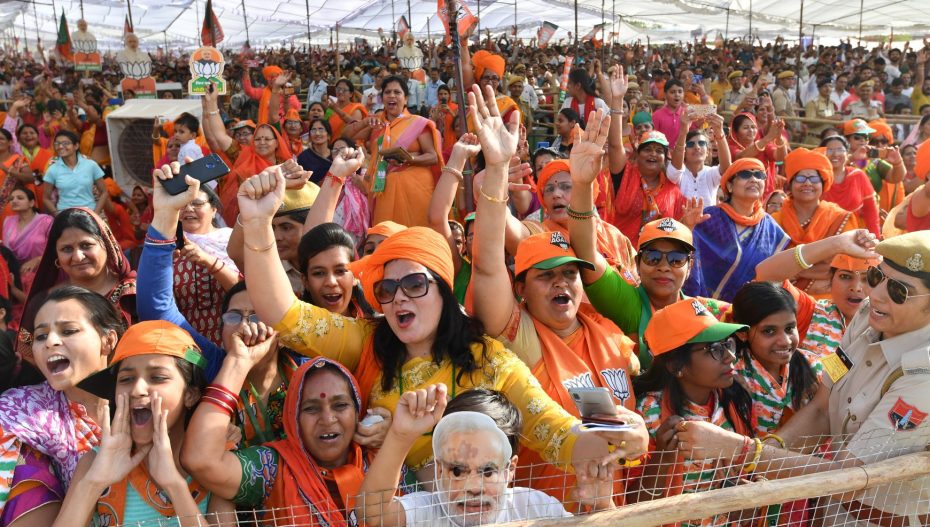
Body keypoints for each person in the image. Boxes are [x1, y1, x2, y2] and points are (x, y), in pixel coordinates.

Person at [237, 159, 647, 492]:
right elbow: (284, 314)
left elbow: (552, 430)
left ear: (445, 290)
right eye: (387, 289)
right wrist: (256, 225)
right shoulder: (367, 341)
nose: (399, 298)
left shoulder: (488, 360)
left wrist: (620, 441)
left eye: (415, 284)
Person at [677, 230, 930, 527]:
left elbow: (851, 479)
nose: (874, 294)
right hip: (828, 503)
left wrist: (742, 450)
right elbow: (823, 406)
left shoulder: (922, 374)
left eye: (899, 291)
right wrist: (768, 455)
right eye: (877, 277)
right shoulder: (868, 317)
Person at [471, 107, 640, 508]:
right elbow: (487, 264)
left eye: (569, 273)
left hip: (612, 511)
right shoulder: (522, 338)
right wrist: (496, 170)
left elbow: (630, 419)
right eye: (545, 276)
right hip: (545, 511)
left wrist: (640, 432)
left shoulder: (609, 334)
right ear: (521, 291)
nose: (561, 282)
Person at [55, 320, 235, 527]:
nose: (138, 390)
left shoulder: (216, 463)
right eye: (126, 379)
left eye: (157, 377)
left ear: (191, 395)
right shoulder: (93, 462)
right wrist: (94, 482)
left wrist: (174, 485)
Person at [184, 344, 377, 525]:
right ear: (294, 418)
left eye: (340, 405)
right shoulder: (272, 468)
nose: (327, 419)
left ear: (357, 411)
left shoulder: (378, 459)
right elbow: (200, 460)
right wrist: (237, 363)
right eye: (311, 408)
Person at [0, 286, 126, 526]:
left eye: (68, 331)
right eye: (41, 336)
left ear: (108, 340)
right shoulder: (19, 411)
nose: (50, 342)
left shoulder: (143, 401)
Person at [358, 397, 574, 526]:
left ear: (510, 469)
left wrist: (598, 504)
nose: (474, 488)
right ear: (439, 469)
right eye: (458, 471)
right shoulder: (426, 511)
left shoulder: (536, 508)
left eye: (488, 471)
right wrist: (400, 435)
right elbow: (371, 515)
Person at [633, 298, 753, 503]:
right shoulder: (649, 411)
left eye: (728, 344)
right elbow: (631, 501)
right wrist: (663, 458)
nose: (730, 356)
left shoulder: (733, 398)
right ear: (675, 366)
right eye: (715, 349)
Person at [754, 230, 881, 358]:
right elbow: (766, 276)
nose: (856, 288)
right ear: (830, 280)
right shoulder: (810, 312)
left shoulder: (887, 331)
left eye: (867, 279)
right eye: (845, 276)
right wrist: (838, 243)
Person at [21, 208, 137, 343]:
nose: (78, 257)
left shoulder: (133, 295)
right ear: (56, 256)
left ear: (107, 245)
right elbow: (27, 350)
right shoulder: (43, 301)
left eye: (86, 245)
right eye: (67, 249)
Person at [685, 158, 791, 302]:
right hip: (701, 305)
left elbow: (774, 274)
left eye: (759, 175)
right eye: (745, 174)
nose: (754, 179)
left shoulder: (772, 230)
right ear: (729, 186)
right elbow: (683, 254)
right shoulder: (708, 218)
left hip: (748, 308)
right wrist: (687, 226)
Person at [353, 75, 442, 228]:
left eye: (397, 92)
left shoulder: (417, 123)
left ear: (406, 99)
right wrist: (364, 122)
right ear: (382, 98)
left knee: (417, 233)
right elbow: (348, 136)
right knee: (386, 234)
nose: (392, 95)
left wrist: (408, 159)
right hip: (383, 189)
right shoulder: (376, 124)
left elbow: (433, 157)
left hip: (416, 189)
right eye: (387, 92)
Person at [201, 84, 295, 226]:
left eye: (267, 139)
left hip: (276, 221)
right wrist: (212, 103)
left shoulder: (285, 165)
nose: (262, 142)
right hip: (245, 220)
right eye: (258, 139)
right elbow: (219, 136)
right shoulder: (242, 155)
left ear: (277, 143)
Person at [174, 185, 241, 346]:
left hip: (233, 341)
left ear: (214, 210)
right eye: (182, 205)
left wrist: (207, 260)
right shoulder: (167, 246)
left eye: (197, 203)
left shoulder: (232, 241)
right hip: (185, 344)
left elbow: (242, 290)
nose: (189, 209)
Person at [771, 148, 858, 249]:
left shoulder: (838, 219)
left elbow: (848, 256)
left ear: (823, 185)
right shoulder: (775, 220)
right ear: (790, 184)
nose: (807, 183)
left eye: (814, 179)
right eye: (800, 178)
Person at [666, 110, 731, 208]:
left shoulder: (711, 173)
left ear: (708, 151)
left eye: (701, 143)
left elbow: (727, 170)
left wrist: (720, 133)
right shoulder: (679, 174)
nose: (697, 147)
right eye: (690, 144)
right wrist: (683, 132)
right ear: (684, 151)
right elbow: (675, 171)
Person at [819, 134, 882, 236]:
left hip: (854, 237)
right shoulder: (817, 178)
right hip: (820, 237)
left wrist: (875, 237)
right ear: (822, 154)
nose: (835, 154)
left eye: (840, 150)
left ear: (847, 153)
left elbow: (871, 212)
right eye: (829, 150)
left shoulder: (857, 175)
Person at [42, 130, 107, 215]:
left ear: (76, 146)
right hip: (65, 215)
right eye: (57, 144)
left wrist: (95, 213)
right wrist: (57, 215)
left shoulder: (91, 165)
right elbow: (46, 198)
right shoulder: (52, 169)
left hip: (90, 213)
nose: (60, 146)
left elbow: (104, 192)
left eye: (65, 143)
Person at [726, 112, 788, 199]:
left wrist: (779, 137)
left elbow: (781, 157)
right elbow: (741, 157)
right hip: (740, 197)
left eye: (753, 127)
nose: (751, 130)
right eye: (745, 128)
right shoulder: (730, 147)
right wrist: (768, 137)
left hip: (764, 198)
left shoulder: (764, 145)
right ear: (736, 131)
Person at [2, 186, 53, 289]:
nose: (14, 201)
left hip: (44, 271)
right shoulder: (8, 221)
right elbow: (6, 252)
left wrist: (38, 259)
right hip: (16, 274)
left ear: (31, 203)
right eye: (11, 199)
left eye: (20, 198)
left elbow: (56, 247)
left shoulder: (46, 221)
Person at [296, 119, 333, 186]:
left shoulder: (335, 156)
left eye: (321, 129)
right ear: (310, 136)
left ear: (328, 135)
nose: (317, 133)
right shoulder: (303, 157)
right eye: (313, 130)